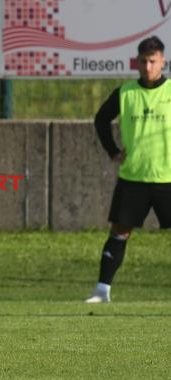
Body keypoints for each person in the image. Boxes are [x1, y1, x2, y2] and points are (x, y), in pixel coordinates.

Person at [85, 35, 171, 304]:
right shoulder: (125, 92)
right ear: (137, 62)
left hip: (168, 178)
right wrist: (113, 151)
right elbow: (101, 120)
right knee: (119, 233)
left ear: (163, 62)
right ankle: (102, 290)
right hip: (133, 177)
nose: (148, 67)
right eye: (144, 61)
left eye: (153, 61)